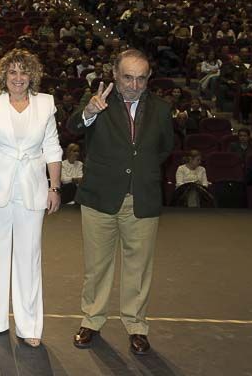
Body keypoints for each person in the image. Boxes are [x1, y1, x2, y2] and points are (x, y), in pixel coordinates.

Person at [67, 49, 175, 356]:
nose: (134, 85)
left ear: (148, 78)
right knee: (96, 266)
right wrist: (89, 111)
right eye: (128, 77)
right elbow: (73, 127)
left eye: (141, 78)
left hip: (142, 199)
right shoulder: (98, 100)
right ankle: (92, 320)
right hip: (99, 197)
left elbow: (165, 148)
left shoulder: (162, 110)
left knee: (138, 269)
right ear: (115, 74)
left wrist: (142, 171)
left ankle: (137, 326)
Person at [0, 51, 62, 345]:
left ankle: (29, 327)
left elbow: (52, 147)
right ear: (4, 75)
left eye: (24, 72)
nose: (18, 78)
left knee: (29, 257)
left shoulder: (45, 103)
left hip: (32, 188)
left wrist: (54, 187)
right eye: (13, 73)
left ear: (33, 75)